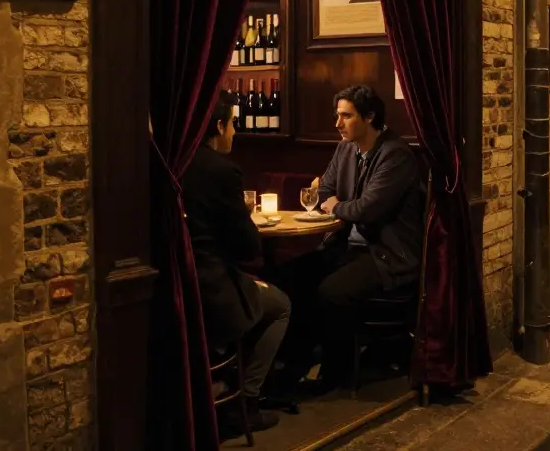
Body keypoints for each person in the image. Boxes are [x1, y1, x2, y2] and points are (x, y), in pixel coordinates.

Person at [269, 85, 425, 395]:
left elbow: (368, 208)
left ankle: (334, 372)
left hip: (386, 254)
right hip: (346, 245)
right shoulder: (345, 148)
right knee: (289, 277)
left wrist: (338, 206)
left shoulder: (395, 155)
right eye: (337, 115)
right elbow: (324, 189)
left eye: (346, 116)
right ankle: (289, 363)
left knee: (332, 292)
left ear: (370, 117)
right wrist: (339, 204)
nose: (337, 124)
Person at [181, 90, 290, 437]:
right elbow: (246, 247)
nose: (235, 132)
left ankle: (222, 381)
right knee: (281, 304)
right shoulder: (221, 170)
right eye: (233, 125)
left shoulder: (177, 161)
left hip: (183, 283)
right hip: (212, 287)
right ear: (218, 125)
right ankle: (245, 401)